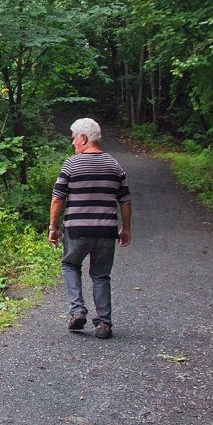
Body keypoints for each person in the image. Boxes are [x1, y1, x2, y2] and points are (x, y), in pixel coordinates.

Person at [47, 117, 132, 338]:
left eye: (74, 138)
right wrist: (126, 229)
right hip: (106, 231)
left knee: (69, 265)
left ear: (83, 138)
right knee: (101, 275)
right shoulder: (114, 165)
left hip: (77, 230)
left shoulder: (71, 164)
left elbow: (58, 199)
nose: (73, 143)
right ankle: (104, 323)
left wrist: (53, 227)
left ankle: (77, 310)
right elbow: (125, 200)